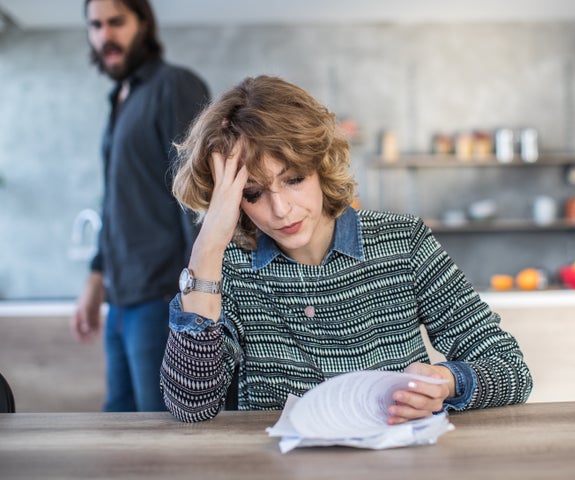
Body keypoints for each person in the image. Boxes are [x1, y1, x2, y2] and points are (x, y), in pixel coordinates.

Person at [160, 75, 532, 423]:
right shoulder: (229, 270)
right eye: (253, 194)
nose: (281, 209)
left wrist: (447, 381)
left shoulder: (404, 243)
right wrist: (207, 247)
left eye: (294, 179)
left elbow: (511, 369)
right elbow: (190, 406)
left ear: (321, 165)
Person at [71, 0, 210, 412]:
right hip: (122, 298)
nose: (105, 36)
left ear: (143, 24)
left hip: (164, 296)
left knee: (161, 432)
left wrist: (198, 296)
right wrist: (96, 280)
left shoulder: (174, 86)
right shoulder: (121, 99)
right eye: (95, 25)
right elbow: (113, 201)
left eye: (116, 22)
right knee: (119, 423)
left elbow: (198, 197)